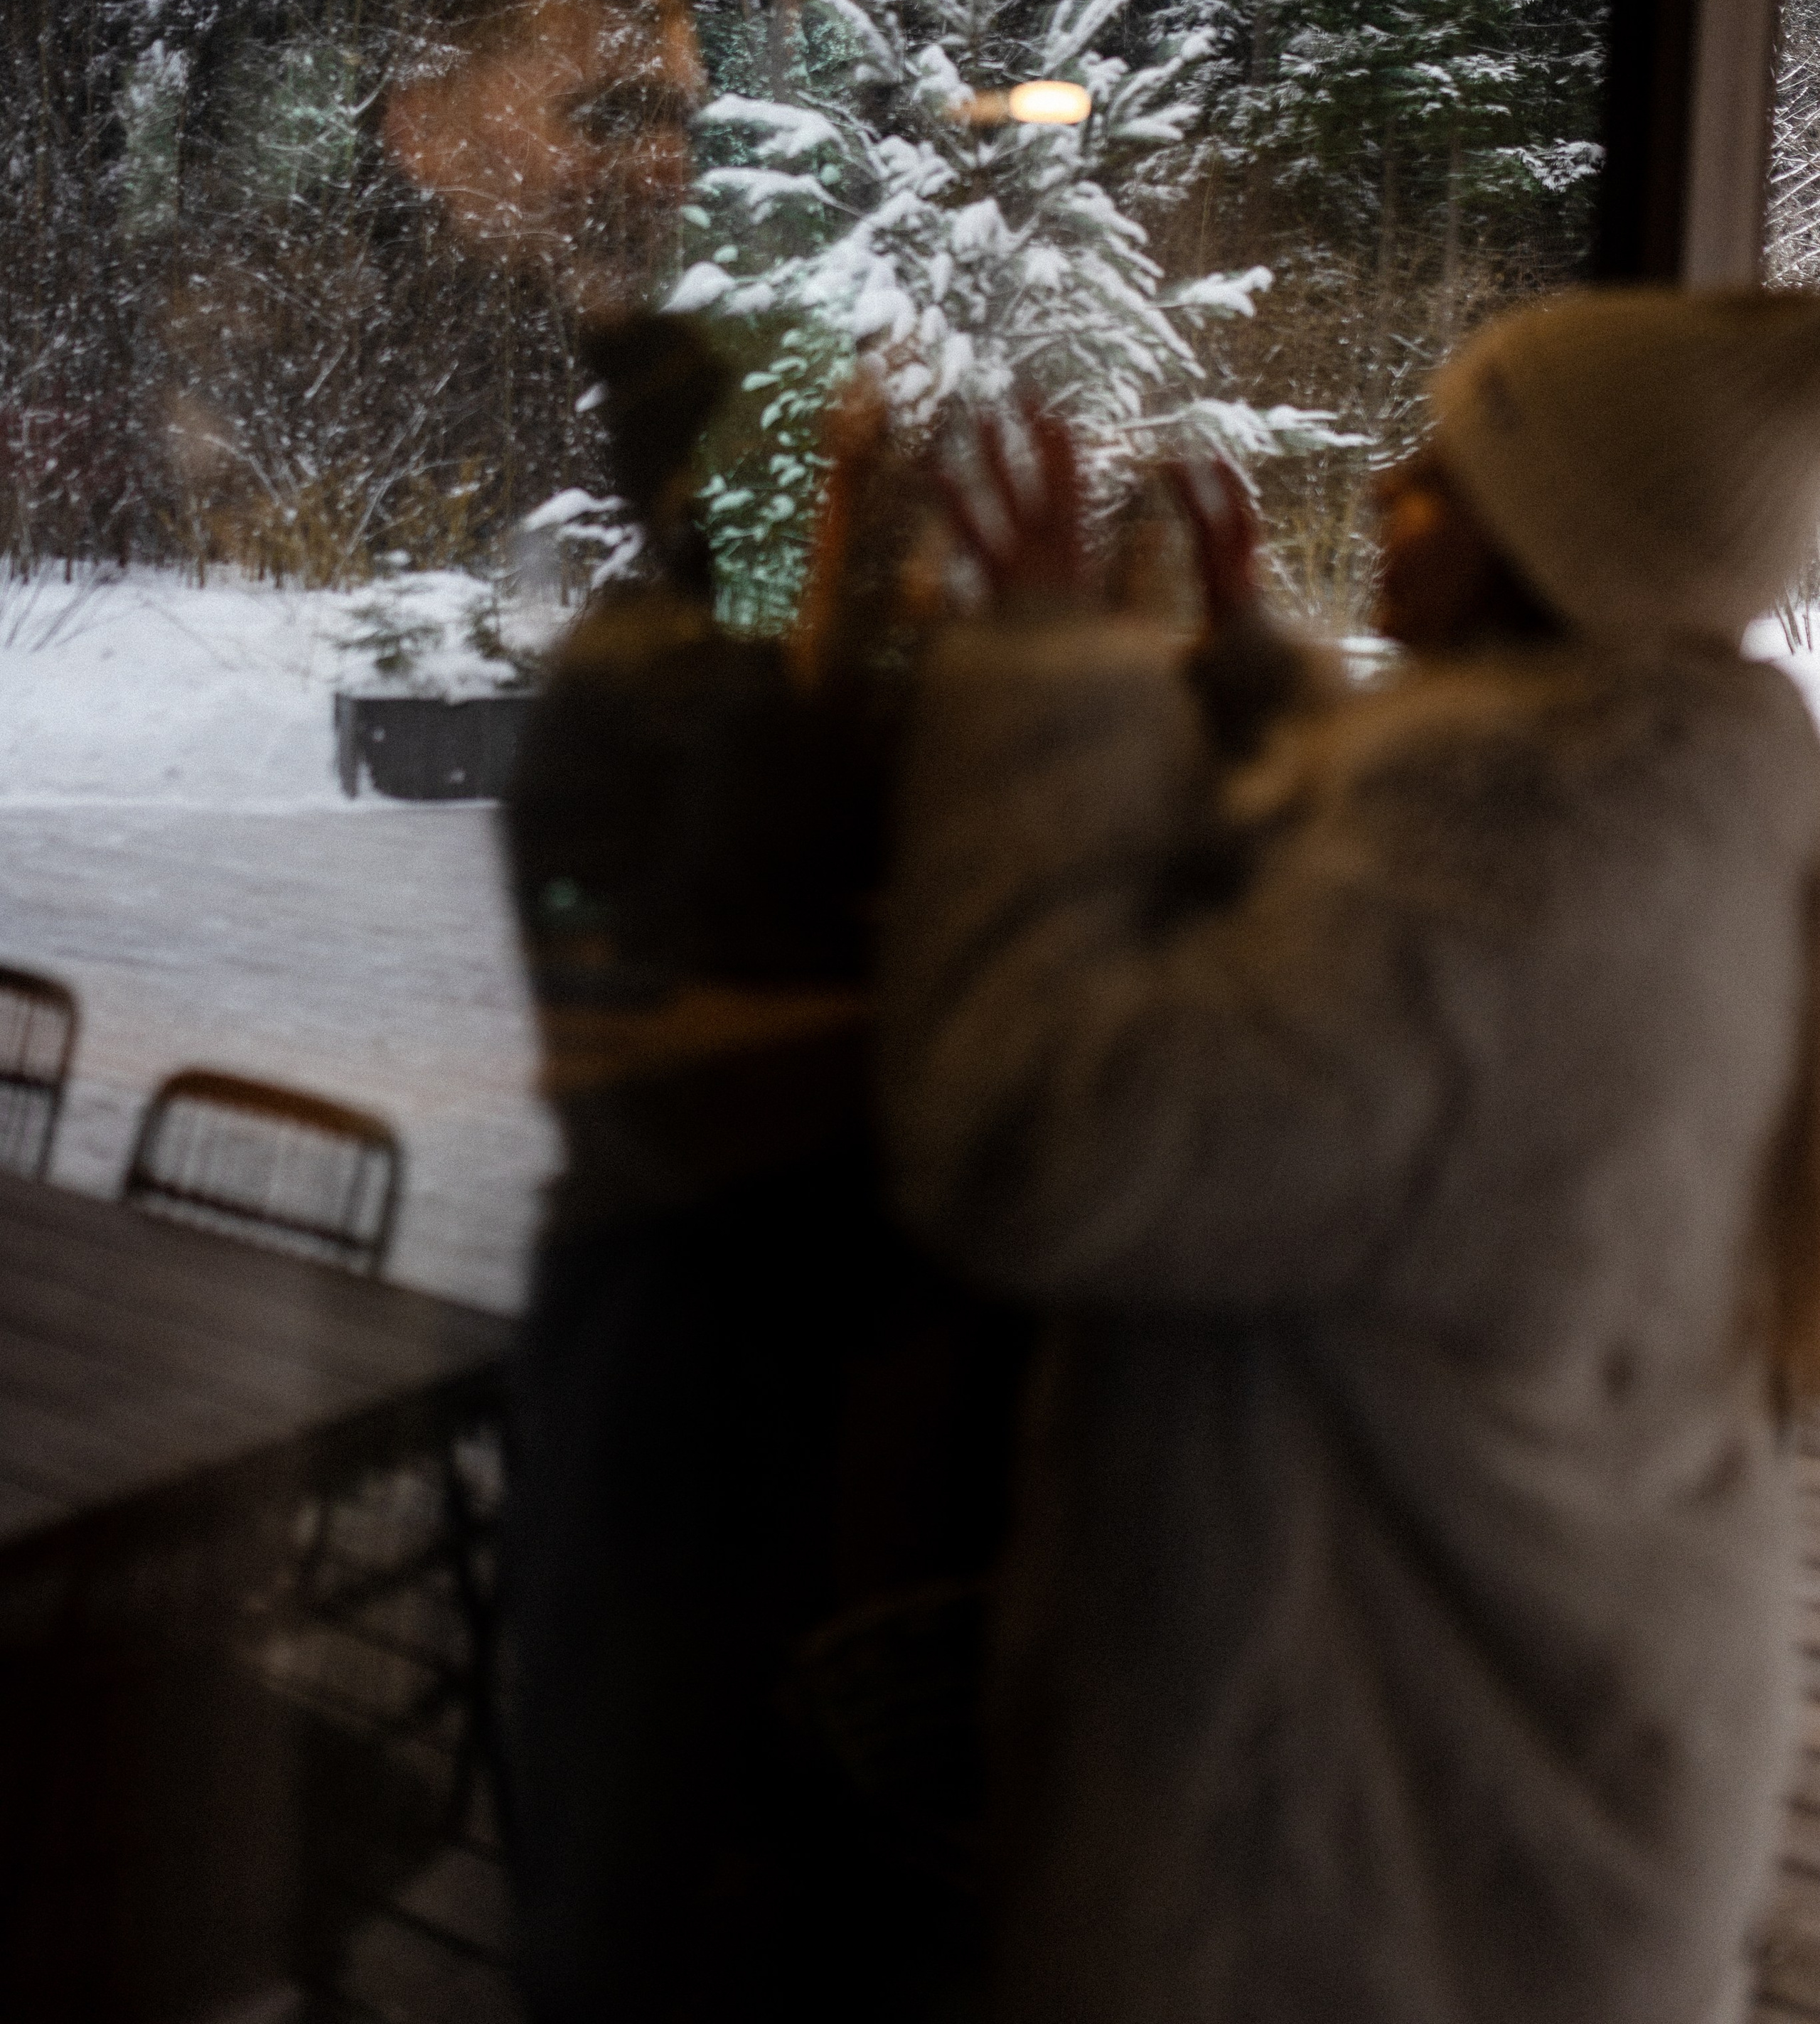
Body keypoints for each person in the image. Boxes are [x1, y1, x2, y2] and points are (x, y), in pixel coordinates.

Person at [881, 287, 1820, 2024]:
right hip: (1563, 1737)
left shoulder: (1510, 880)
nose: (1385, 490)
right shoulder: (1681, 814)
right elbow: (1368, 1073)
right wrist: (1259, 698)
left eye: (1446, 475)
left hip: (1381, 1867)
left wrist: (1042, 692)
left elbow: (1042, 1145)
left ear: (1560, 547)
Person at [503, 319, 1016, 2024]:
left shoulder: (671, 669)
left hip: (684, 1293)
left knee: (648, 1747)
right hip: (707, 1303)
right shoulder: (657, 691)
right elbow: (644, 1022)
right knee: (670, 1760)